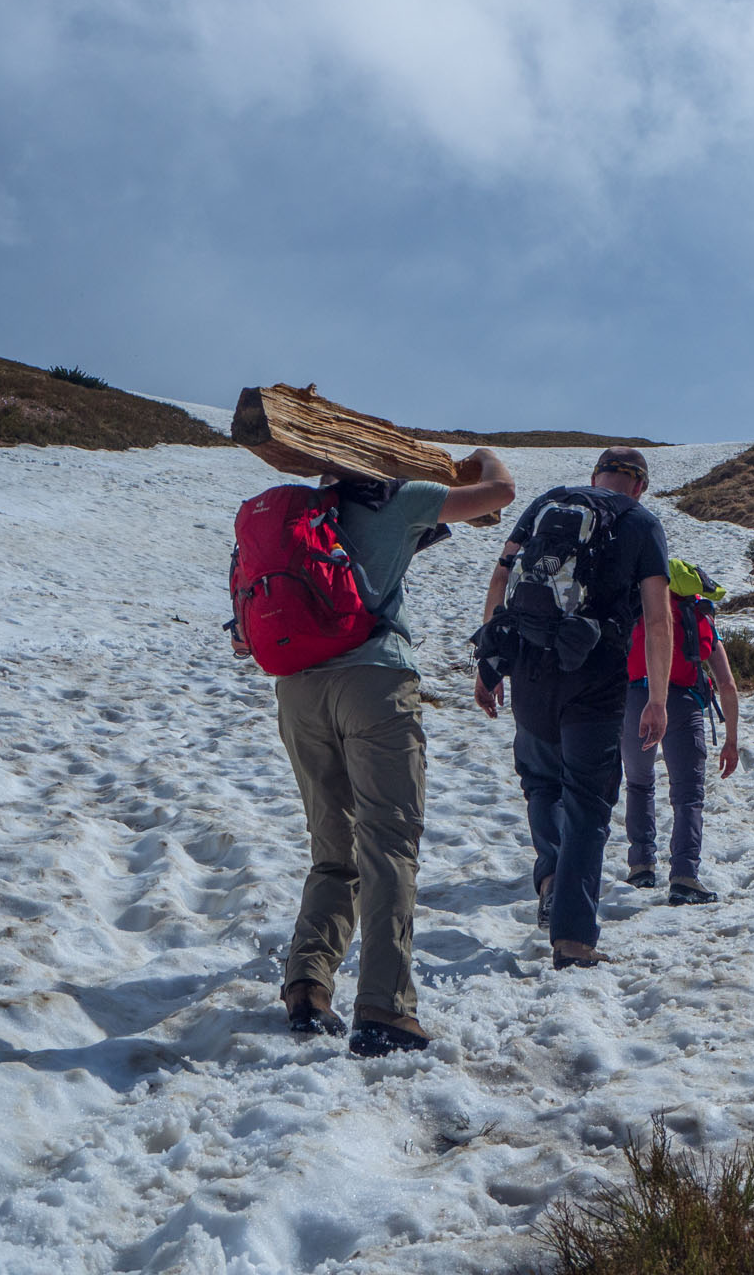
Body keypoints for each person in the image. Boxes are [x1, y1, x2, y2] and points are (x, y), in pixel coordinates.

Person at [271, 448, 517, 1057]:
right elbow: (501, 492)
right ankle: (384, 1007)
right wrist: (482, 456)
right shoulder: (394, 499)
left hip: (299, 691)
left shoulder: (292, 520)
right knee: (388, 843)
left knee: (332, 847)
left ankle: (307, 985)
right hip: (375, 684)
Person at [474, 447, 672, 969]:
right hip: (595, 682)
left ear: (594, 475)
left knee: (541, 783)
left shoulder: (547, 504)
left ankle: (549, 880)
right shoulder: (641, 523)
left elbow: (502, 577)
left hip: (530, 674)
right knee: (587, 805)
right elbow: (657, 620)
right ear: (640, 486)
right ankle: (574, 940)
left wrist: (489, 661)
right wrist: (656, 697)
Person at [620, 558, 740, 904]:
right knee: (688, 794)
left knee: (639, 784)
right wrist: (731, 741)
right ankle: (685, 876)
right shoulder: (698, 617)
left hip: (635, 700)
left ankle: (641, 866)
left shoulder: (638, 611)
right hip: (683, 702)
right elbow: (727, 685)